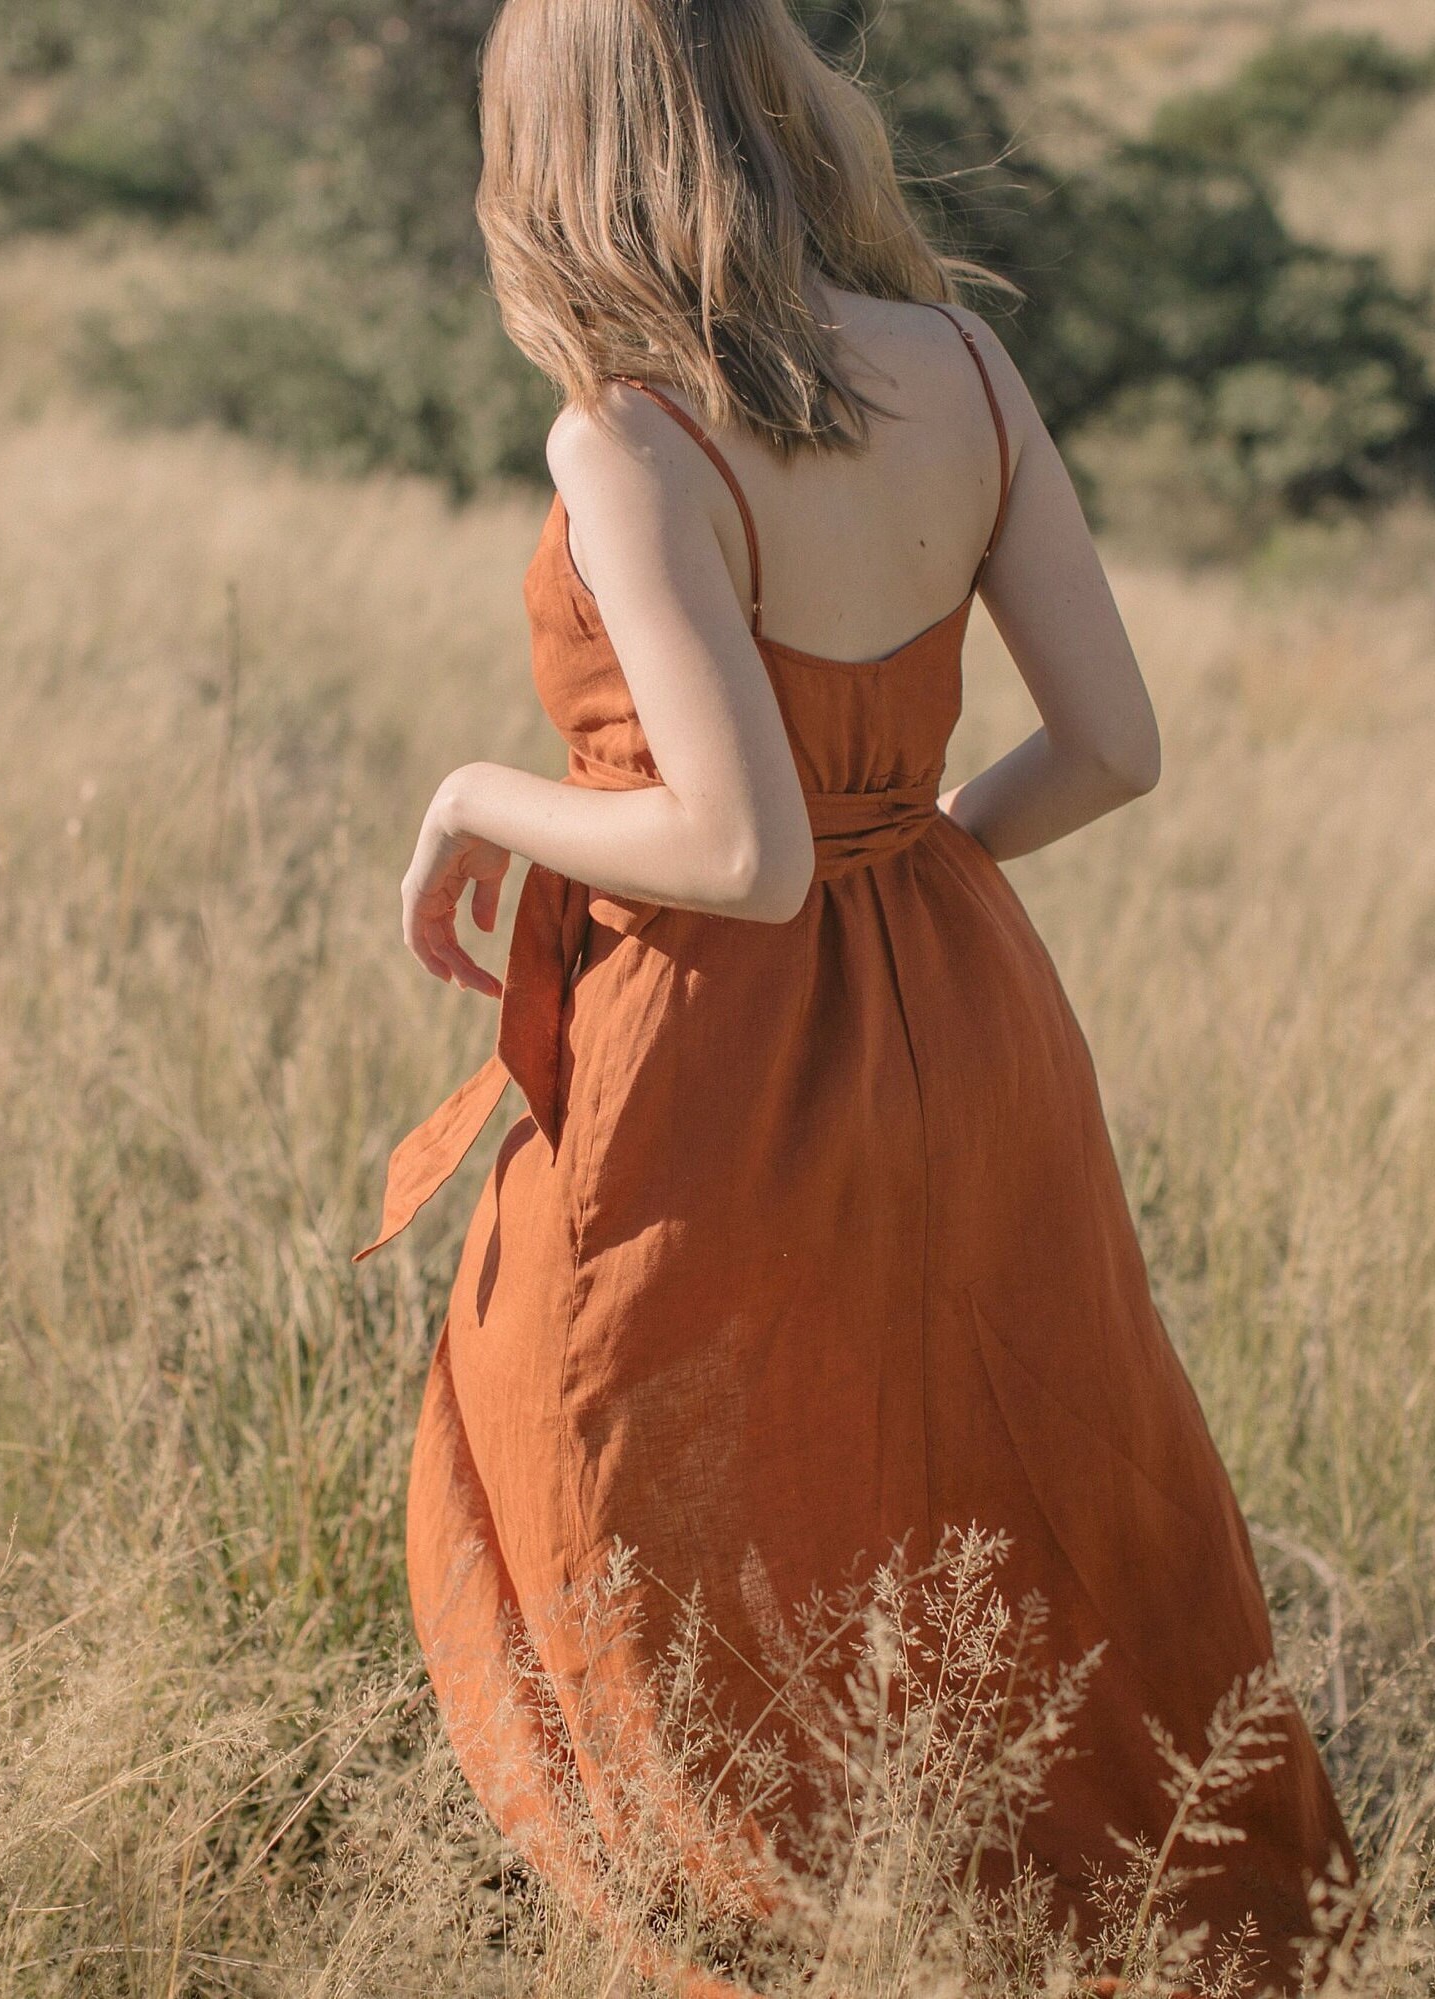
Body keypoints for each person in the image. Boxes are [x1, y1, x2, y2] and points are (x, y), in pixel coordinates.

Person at [353, 0, 1363, 1990]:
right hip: (966, 999)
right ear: (775, 102)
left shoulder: (629, 433)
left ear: (550, 155)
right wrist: (917, 881)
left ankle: (761, 1903)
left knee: (611, 1451)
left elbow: (738, 853)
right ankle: (1076, 1900)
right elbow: (1111, 746)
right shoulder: (965, 365)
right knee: (982, 1452)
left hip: (709, 1048)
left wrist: (483, 793)